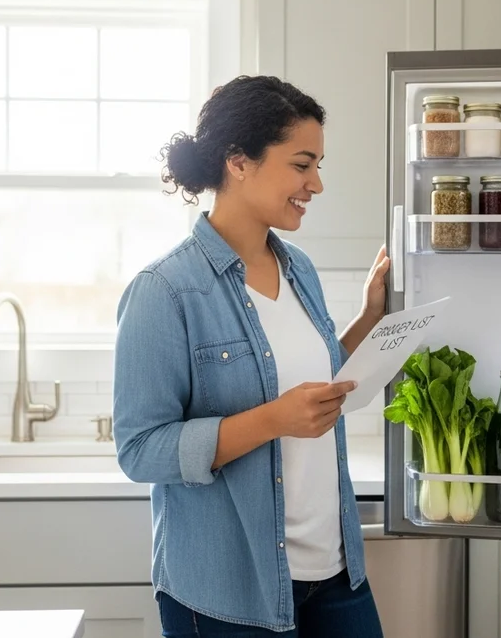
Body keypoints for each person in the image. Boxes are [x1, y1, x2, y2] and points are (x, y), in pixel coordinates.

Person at [112, 75, 390, 637]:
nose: (317, 183)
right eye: (301, 164)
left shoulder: (300, 270)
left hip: (334, 572)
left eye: (317, 166)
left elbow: (310, 379)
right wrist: (272, 421)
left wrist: (370, 317)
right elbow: (140, 451)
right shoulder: (165, 290)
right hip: (229, 592)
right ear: (239, 161)